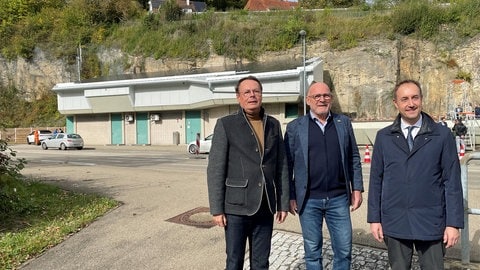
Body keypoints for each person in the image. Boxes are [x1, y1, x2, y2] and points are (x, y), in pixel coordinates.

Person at [368, 79, 464, 270]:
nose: (410, 104)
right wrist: (374, 218)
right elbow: (376, 180)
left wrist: (453, 224)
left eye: (415, 98)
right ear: (396, 103)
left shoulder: (442, 135)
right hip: (395, 220)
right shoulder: (384, 137)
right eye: (404, 99)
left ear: (421, 99)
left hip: (432, 221)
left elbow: (451, 181)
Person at [207, 75, 289, 270]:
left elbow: (281, 165)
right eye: (247, 92)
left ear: (261, 94)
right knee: (234, 261)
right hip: (236, 207)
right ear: (238, 97)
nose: (252, 95)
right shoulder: (226, 124)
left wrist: (283, 202)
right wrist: (217, 209)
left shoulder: (273, 125)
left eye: (256, 91)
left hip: (265, 205)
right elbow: (216, 168)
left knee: (261, 263)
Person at [284, 82, 364, 270]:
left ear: (331, 98)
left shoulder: (342, 123)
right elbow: (286, 165)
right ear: (308, 100)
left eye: (326, 95)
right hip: (308, 200)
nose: (322, 99)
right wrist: (290, 195)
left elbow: (354, 156)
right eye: (317, 96)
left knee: (344, 250)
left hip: (339, 198)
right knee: (312, 252)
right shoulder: (295, 127)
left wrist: (357, 188)